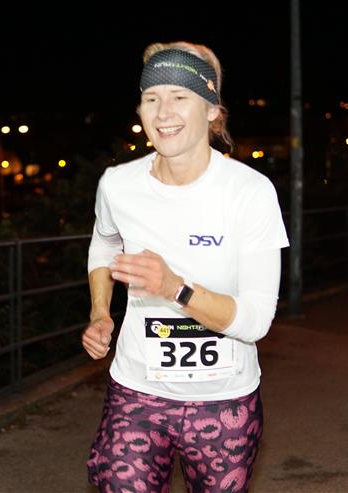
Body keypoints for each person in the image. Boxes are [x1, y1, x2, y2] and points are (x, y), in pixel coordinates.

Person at [82, 41, 289, 493]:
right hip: (136, 392)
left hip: (224, 400)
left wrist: (176, 288)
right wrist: (100, 311)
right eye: (151, 98)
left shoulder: (249, 192)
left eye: (180, 97)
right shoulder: (117, 185)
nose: (163, 113)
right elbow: (104, 242)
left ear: (212, 110)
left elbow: (256, 321)